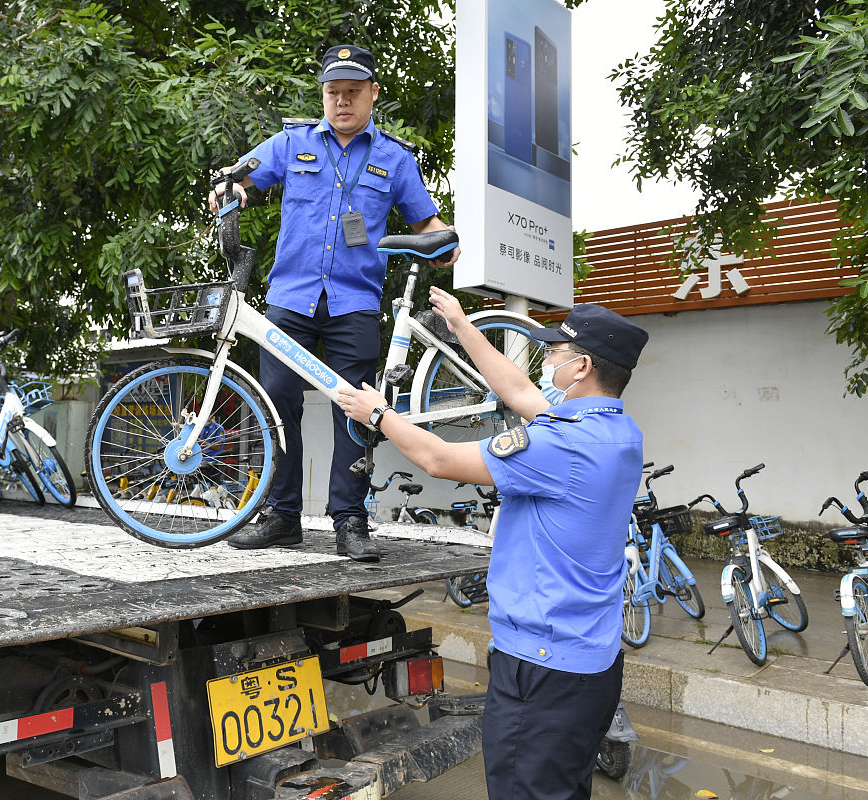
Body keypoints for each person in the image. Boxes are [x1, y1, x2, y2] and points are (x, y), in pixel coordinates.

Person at [337, 292, 649, 800]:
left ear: (582, 366)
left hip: (543, 667)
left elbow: (438, 459)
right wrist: (460, 326)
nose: (546, 361)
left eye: (554, 353)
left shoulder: (561, 445)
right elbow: (519, 389)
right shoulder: (616, 432)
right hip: (588, 662)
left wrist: (379, 415)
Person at [206, 44, 459, 562]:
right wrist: (229, 189)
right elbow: (242, 177)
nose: (341, 102)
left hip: (356, 302)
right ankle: (281, 516)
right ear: (323, 94)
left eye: (352, 92)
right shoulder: (291, 142)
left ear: (372, 94)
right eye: (332, 92)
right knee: (277, 403)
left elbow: (426, 223)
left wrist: (447, 240)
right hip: (291, 297)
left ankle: (349, 521)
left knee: (357, 413)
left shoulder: (394, 157)